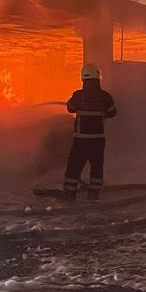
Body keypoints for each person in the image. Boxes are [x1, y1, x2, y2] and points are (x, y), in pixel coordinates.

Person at [61, 63, 117, 201]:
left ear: (83, 78)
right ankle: (93, 195)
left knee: (74, 166)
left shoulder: (78, 95)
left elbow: (70, 108)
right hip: (98, 140)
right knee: (96, 167)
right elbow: (113, 112)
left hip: (81, 140)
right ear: (98, 77)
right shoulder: (106, 97)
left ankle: (69, 194)